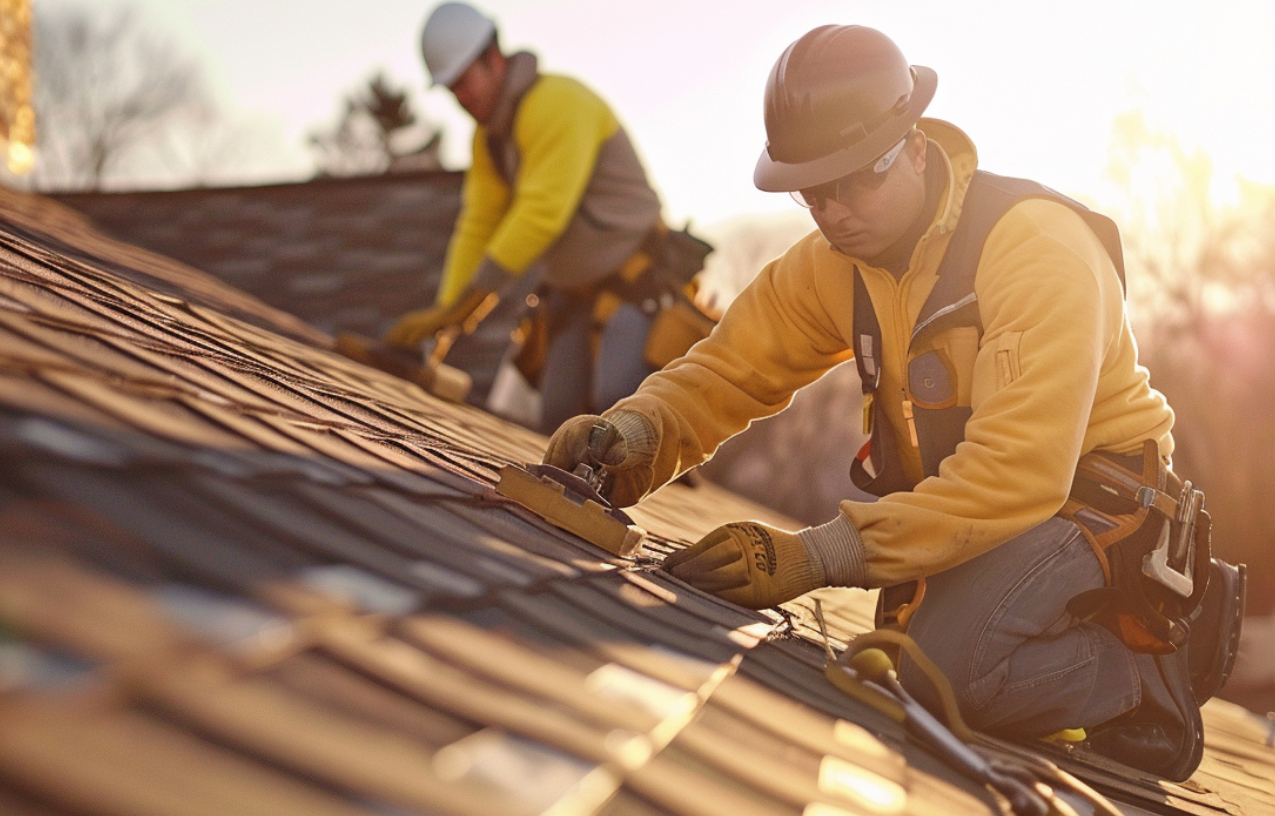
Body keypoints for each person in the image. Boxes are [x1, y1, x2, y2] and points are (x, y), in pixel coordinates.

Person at [541, 24, 1243, 781]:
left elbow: (1021, 471)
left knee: (941, 674)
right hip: (984, 510)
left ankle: (1145, 677)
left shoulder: (1036, 248)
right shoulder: (838, 263)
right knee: (911, 661)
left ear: (913, 145)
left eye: (851, 183)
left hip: (1097, 509)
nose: (832, 212)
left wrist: (820, 555)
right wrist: (636, 435)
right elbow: (731, 367)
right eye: (813, 193)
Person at [386, 2, 698, 433]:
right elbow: (478, 223)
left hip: (638, 287)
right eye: (451, 89)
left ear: (493, 59)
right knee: (559, 422)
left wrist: (465, 307)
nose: (462, 98)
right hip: (572, 294)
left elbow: (541, 214)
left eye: (464, 81)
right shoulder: (490, 140)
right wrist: (442, 317)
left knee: (622, 412)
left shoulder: (557, 103)